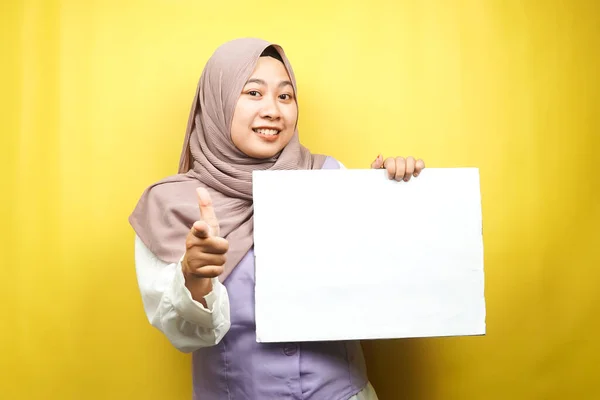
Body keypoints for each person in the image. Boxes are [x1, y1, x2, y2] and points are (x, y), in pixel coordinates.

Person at [129, 38, 425, 400]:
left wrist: (390, 194)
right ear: (217, 101)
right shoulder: (170, 205)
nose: (273, 110)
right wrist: (193, 278)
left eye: (285, 96)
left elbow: (386, 277)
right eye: (253, 93)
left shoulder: (330, 177)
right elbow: (181, 334)